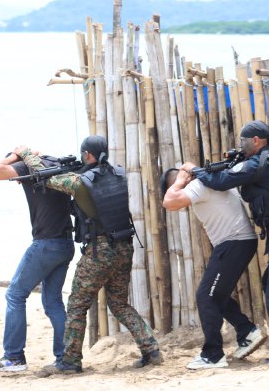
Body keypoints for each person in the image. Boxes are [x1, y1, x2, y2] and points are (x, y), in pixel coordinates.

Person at [17, 136, 162, 374]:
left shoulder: (79, 182)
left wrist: (26, 154)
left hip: (100, 251)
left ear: (88, 156)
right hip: (124, 246)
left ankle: (70, 361)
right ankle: (151, 349)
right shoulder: (118, 174)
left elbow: (47, 176)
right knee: (119, 304)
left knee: (76, 305)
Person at [183, 120, 269, 363]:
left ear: (256, 140)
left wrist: (198, 173)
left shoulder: (261, 162)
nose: (241, 146)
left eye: (244, 142)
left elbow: (221, 181)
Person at [162, 167, 267, 369]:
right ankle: (247, 331)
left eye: (172, 187)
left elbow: (169, 201)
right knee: (217, 295)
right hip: (238, 242)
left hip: (233, 242)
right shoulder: (210, 181)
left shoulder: (197, 185)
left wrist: (179, 181)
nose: (174, 190)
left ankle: (213, 355)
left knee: (206, 297)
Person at [0, 151, 75, 372]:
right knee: (53, 302)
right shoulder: (56, 165)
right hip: (66, 244)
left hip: (46, 245)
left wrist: (15, 155)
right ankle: (65, 357)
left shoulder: (26, 167)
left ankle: (14, 358)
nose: (15, 181)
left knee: (15, 294)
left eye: (14, 177)